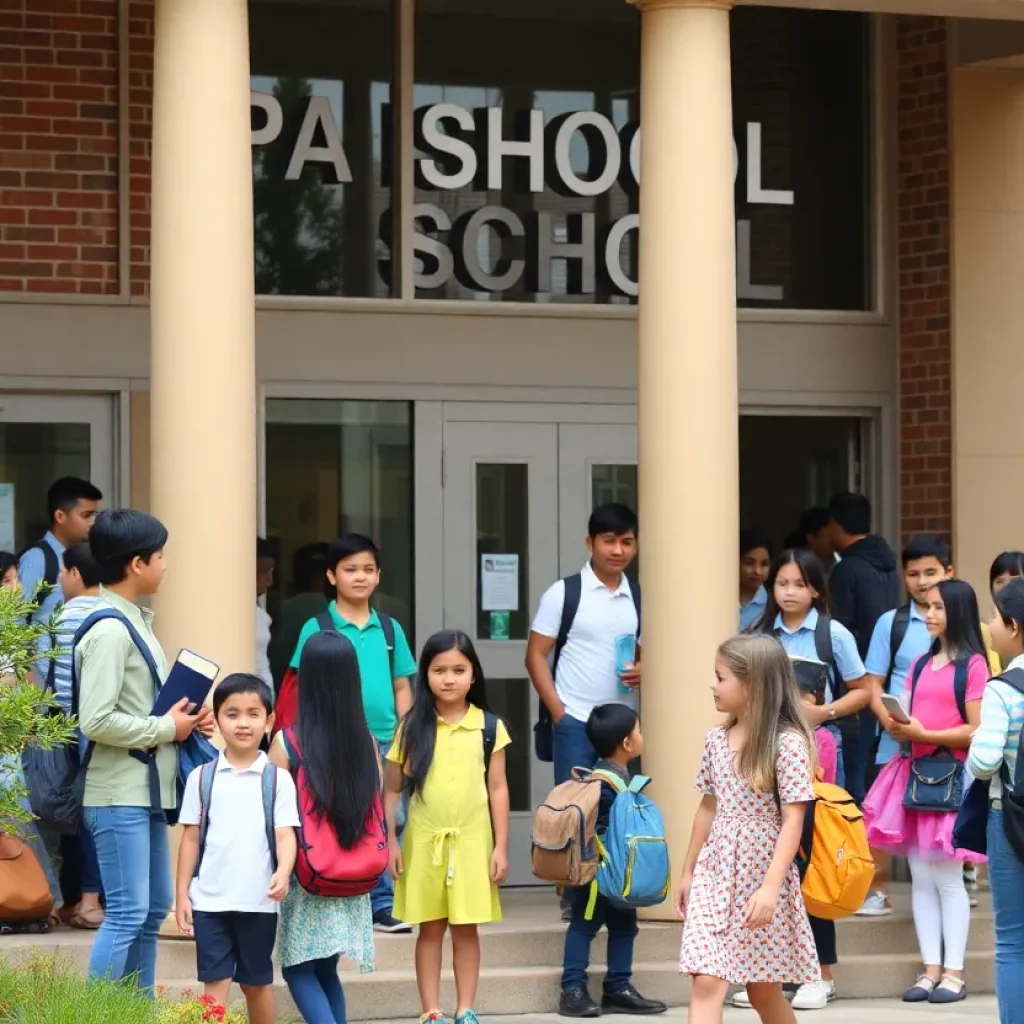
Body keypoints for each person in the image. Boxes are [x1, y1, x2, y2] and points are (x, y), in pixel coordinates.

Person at [77, 509, 214, 995]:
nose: (166, 564)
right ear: (137, 564)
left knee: (153, 909)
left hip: (144, 791)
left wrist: (185, 723)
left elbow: (138, 711)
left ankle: (135, 1010)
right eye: (160, 556)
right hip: (118, 793)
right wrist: (165, 726)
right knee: (129, 912)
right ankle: (93, 1013)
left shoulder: (132, 622)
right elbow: (94, 719)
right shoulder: (111, 630)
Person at [677, 634, 819, 1024]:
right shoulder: (715, 739)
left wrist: (771, 888)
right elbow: (708, 807)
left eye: (721, 677)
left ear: (752, 684)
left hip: (761, 873)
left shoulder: (786, 744)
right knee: (706, 979)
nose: (713, 685)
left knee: (763, 991)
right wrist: (689, 870)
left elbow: (793, 819)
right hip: (716, 871)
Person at [863, 578, 988, 1004]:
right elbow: (909, 712)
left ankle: (954, 971)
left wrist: (924, 730)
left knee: (949, 880)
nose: (929, 614)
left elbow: (976, 730)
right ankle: (930, 968)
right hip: (915, 773)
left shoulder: (973, 666)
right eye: (926, 607)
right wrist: (898, 723)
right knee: (921, 878)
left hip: (951, 778)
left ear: (958, 612)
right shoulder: (919, 663)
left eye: (937, 607)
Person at [285, 534, 416, 933]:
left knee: (388, 818)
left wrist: (405, 736)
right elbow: (303, 684)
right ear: (331, 575)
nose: (360, 577)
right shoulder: (317, 626)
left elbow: (401, 687)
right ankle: (325, 887)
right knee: (329, 816)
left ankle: (381, 901)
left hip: (382, 739)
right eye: (350, 569)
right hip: (334, 740)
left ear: (378, 576)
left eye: (368, 569)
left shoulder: (390, 629)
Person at [860, 538, 994, 917]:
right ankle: (878, 891)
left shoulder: (972, 647)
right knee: (895, 830)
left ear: (948, 573)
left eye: (930, 573)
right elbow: (873, 682)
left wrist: (924, 733)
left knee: (947, 841)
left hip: (947, 753)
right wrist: (889, 719)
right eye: (913, 573)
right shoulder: (894, 624)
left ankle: (963, 877)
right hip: (901, 746)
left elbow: (977, 714)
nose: (920, 582)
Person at [385, 630, 511, 1024]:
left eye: (459, 669)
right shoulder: (411, 728)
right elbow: (391, 790)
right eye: (439, 670)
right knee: (429, 929)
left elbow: (498, 788)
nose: (450, 678)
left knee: (466, 929)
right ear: (426, 676)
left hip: (473, 842)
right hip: (423, 843)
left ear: (473, 675)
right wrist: (389, 842)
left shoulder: (489, 726)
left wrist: (500, 846)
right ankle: (431, 1012)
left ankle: (465, 1009)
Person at [176, 674, 299, 1024]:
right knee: (214, 984)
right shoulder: (202, 777)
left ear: (268, 721)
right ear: (216, 719)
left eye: (253, 713)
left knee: (256, 984)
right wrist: (182, 895)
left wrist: (283, 872)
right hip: (210, 902)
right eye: (232, 714)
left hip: (258, 903)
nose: (243, 723)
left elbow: (285, 834)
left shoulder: (277, 779)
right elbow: (190, 839)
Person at [268, 632, 377, 1024]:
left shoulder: (288, 742)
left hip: (308, 872)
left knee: (298, 968)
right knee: (325, 968)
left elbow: (269, 811)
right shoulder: (365, 740)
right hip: (350, 871)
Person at [733, 677, 839, 1012]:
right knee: (779, 907)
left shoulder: (818, 737)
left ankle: (821, 977)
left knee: (814, 899)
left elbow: (820, 783)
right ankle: (774, 980)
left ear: (814, 697)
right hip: (771, 828)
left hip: (809, 823)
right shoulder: (765, 736)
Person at [559, 703, 667, 1018]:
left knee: (624, 928)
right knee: (583, 926)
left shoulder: (617, 778)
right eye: (639, 730)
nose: (642, 736)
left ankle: (618, 987)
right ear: (626, 743)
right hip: (597, 876)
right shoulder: (601, 784)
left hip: (618, 875)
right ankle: (572, 988)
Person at [527, 503, 641, 786]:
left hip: (623, 725)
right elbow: (535, 656)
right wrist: (559, 714)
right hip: (575, 721)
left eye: (626, 542)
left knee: (617, 813)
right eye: (609, 541)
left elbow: (642, 649)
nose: (618, 550)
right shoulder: (563, 593)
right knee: (573, 814)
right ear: (590, 543)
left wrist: (643, 668)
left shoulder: (639, 594)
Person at [751, 548, 870, 791]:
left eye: (799, 584)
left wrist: (825, 712)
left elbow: (863, 691)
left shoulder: (834, 634)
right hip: (767, 740)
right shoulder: (758, 633)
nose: (789, 591)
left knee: (819, 818)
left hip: (820, 739)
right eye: (782, 583)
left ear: (815, 589)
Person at [967, 577, 1024, 1023]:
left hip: (1011, 823)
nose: (990, 626)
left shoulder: (1003, 688)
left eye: (994, 617)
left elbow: (985, 763)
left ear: (1014, 626)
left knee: (1011, 940)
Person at [826, 492, 902, 802]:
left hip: (855, 676)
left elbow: (838, 627)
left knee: (855, 768)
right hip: (888, 671)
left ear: (835, 524)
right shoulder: (889, 566)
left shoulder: (848, 569)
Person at [48, 542, 104, 929]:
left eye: (62, 573)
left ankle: (83, 899)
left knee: (75, 816)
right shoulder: (111, 612)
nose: (58, 581)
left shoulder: (65, 615)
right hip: (97, 729)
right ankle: (88, 899)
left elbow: (60, 683)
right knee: (91, 814)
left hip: (73, 728)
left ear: (75, 574)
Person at [19, 476, 102, 629]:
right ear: (60, 516)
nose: (92, 522)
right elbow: (15, 624)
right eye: (86, 515)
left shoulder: (90, 556)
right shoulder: (36, 559)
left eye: (94, 515)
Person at [738, 529, 771, 631]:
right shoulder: (717, 601)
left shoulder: (773, 605)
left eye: (764, 564)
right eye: (749, 563)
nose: (757, 571)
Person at [255, 538, 275, 694]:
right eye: (263, 571)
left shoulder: (260, 615)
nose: (269, 580)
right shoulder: (235, 616)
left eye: (271, 572)